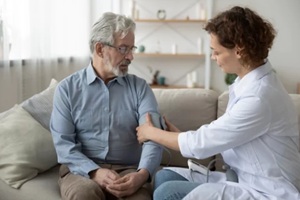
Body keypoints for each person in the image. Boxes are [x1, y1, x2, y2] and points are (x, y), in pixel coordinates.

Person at [136, 6, 300, 200]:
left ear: (239, 50)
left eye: (216, 51)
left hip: (269, 190)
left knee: (167, 193)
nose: (213, 58)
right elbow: (223, 135)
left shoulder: (259, 97)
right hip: (243, 178)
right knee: (165, 175)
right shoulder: (247, 83)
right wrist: (177, 136)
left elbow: (201, 143)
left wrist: (150, 133)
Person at [50, 12, 165, 200]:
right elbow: (64, 145)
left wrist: (142, 175)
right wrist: (94, 171)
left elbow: (154, 138)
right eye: (123, 48)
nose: (130, 56)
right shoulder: (67, 89)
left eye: (132, 48)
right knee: (84, 194)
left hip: (129, 170)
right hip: (81, 171)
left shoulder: (140, 88)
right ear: (100, 49)